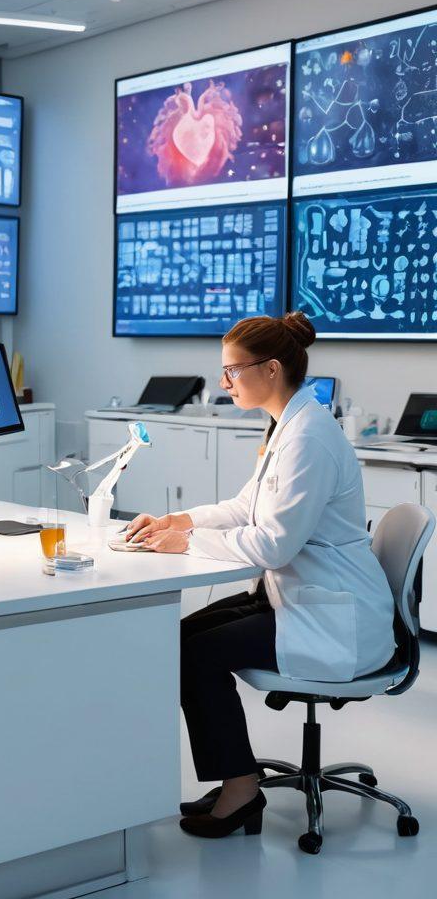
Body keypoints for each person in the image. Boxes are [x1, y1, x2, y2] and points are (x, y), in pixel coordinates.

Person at [125, 312, 395, 839]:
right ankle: (237, 778)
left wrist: (187, 543)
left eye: (233, 370)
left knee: (196, 655)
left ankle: (242, 790)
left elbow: (274, 543)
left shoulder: (308, 438)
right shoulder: (287, 426)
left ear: (271, 369)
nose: (224, 382)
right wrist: (181, 520)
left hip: (333, 618)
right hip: (298, 594)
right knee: (181, 640)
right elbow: (246, 507)